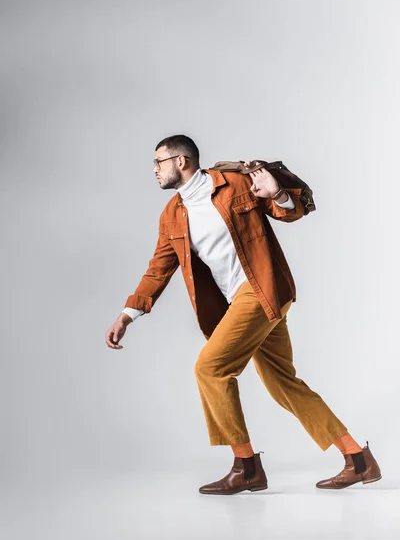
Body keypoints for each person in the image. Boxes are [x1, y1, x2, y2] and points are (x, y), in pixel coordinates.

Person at [105, 134, 381, 495]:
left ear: (181, 161)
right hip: (239, 303)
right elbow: (158, 268)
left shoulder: (233, 182)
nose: (155, 170)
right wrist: (128, 314)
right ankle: (358, 459)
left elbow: (291, 212)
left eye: (159, 162)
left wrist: (277, 193)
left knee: (210, 369)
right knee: (284, 384)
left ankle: (246, 466)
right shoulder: (172, 215)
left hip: (263, 289)